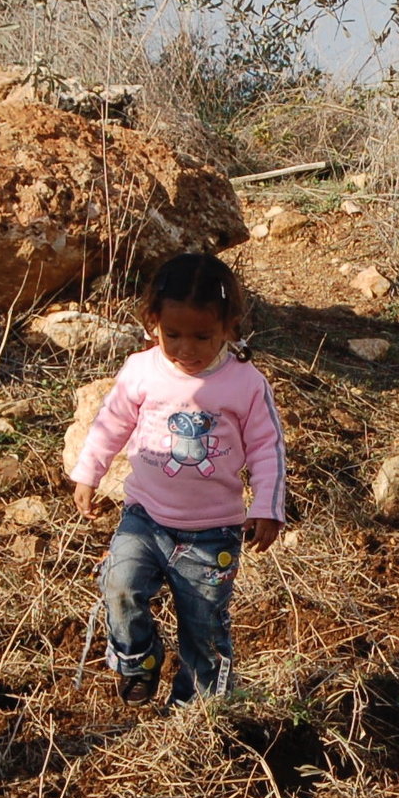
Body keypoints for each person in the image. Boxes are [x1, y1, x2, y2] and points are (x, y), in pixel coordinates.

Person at [67, 253, 287, 705]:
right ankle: (138, 660)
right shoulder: (142, 370)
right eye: (174, 335)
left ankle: (198, 708)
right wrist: (89, 472)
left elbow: (268, 447)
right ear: (153, 323)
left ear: (229, 326)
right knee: (119, 586)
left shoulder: (245, 383)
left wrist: (267, 505)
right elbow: (111, 423)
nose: (187, 348)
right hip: (144, 518)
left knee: (204, 626)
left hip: (213, 533)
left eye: (203, 336)